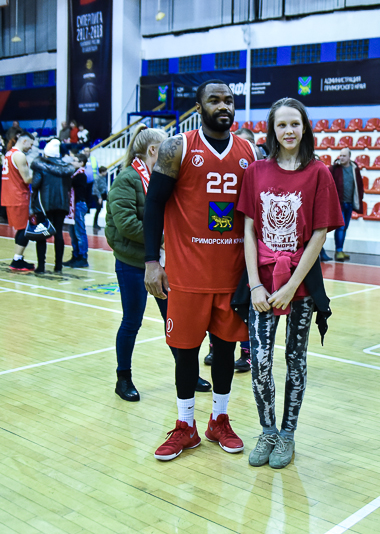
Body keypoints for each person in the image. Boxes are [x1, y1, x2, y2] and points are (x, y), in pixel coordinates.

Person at [144, 80, 259, 461]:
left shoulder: (250, 151)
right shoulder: (177, 147)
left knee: (225, 353)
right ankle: (185, 425)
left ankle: (219, 420)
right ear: (199, 107)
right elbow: (153, 205)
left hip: (232, 277)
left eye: (229, 100)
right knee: (185, 353)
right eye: (215, 100)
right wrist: (151, 261)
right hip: (187, 275)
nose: (223, 106)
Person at [239, 97, 343, 469]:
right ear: (272, 129)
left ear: (304, 128)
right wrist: (255, 285)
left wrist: (291, 286)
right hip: (263, 285)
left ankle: (287, 434)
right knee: (260, 362)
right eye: (281, 124)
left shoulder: (319, 172)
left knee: (295, 361)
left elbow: (319, 235)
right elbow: (248, 231)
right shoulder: (256, 171)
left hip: (300, 285)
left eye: (294, 124)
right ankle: (267, 430)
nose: (288, 131)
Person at [106, 125, 212, 402]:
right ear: (154, 150)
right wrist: (165, 239)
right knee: (132, 321)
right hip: (132, 262)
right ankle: (123, 378)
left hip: (164, 261)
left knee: (173, 320)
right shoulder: (127, 179)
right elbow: (126, 224)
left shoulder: (164, 178)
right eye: (165, 148)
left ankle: (187, 372)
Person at [31, 139, 80, 274]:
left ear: (46, 153)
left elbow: (35, 184)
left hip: (44, 205)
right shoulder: (66, 168)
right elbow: (69, 186)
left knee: (42, 235)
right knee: (58, 234)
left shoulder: (40, 165)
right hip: (61, 204)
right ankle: (58, 266)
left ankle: (41, 267)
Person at [2, 131, 36, 271]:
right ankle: (17, 260)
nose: (31, 147)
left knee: (22, 228)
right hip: (19, 196)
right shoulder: (19, 155)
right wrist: (40, 172)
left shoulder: (9, 153)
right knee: (25, 229)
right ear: (24, 141)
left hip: (10, 195)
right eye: (31, 144)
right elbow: (27, 179)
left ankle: (18, 258)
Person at [329, 147, 364, 261]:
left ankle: (340, 250)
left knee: (345, 227)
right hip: (339, 203)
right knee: (341, 227)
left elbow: (359, 185)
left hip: (349, 203)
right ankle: (338, 251)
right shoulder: (334, 169)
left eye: (344, 156)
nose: (342, 157)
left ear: (349, 157)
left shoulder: (355, 169)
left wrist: (360, 198)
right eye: (341, 155)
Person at [65, 153, 90, 268]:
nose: (72, 162)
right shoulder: (75, 174)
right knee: (73, 232)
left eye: (75, 160)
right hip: (74, 206)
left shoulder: (81, 175)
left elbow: (70, 184)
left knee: (80, 232)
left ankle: (83, 257)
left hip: (79, 205)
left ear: (81, 163)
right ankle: (75, 256)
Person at [92, 165, 108, 231]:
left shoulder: (104, 177)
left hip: (103, 193)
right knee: (98, 209)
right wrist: (99, 197)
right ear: (102, 172)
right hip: (98, 194)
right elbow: (95, 188)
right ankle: (95, 223)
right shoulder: (97, 178)